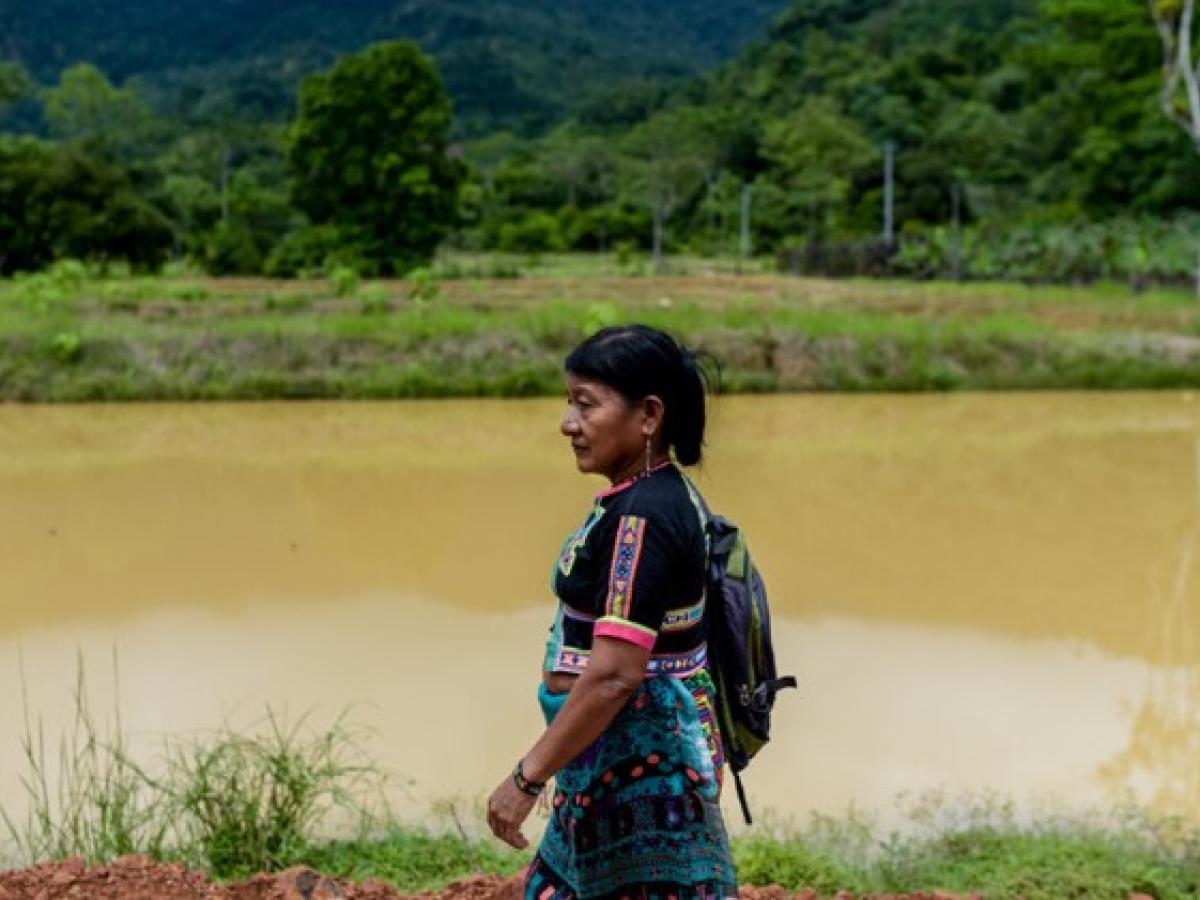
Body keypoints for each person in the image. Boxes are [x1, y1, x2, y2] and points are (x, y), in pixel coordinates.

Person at [487, 324, 738, 900]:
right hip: (615, 766)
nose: (567, 423)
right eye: (569, 402)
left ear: (648, 415)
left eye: (586, 404)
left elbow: (614, 675)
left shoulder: (642, 518)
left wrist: (527, 777)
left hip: (642, 772)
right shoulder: (654, 496)